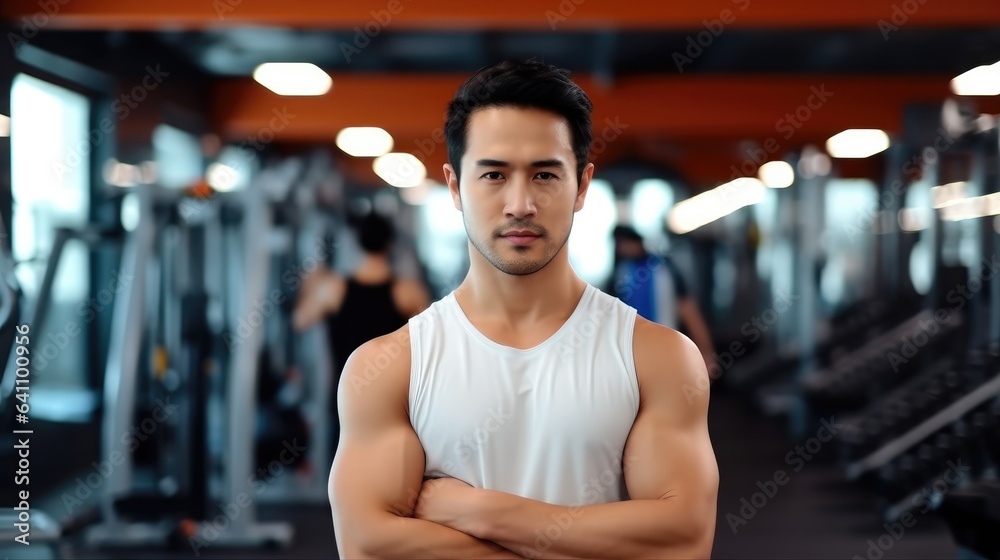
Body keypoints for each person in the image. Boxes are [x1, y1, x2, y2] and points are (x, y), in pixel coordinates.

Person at [329, 59, 718, 559]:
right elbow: (369, 548)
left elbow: (682, 543)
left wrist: (477, 512)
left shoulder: (658, 357)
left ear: (581, 186)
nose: (520, 204)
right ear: (454, 186)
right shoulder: (389, 368)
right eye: (493, 173)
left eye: (544, 175)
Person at [292, 211, 429, 450]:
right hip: (392, 400)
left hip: (346, 397)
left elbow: (299, 320)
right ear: (389, 243)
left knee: (345, 476)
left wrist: (312, 277)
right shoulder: (407, 291)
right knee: (390, 474)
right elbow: (432, 341)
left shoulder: (333, 289)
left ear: (357, 241)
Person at [610, 225, 716, 370]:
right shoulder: (621, 273)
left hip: (666, 349)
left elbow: (688, 309)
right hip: (632, 355)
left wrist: (706, 350)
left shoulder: (664, 270)